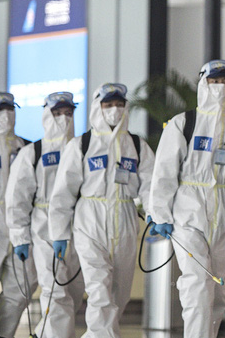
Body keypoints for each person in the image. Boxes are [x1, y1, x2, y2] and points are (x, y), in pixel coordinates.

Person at [148, 60, 225, 337]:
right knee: (197, 280)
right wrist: (160, 213)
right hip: (188, 209)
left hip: (224, 208)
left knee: (219, 287)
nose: (221, 87)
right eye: (215, 81)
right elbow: (164, 171)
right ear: (203, 84)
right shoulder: (184, 123)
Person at [49, 83, 154, 337]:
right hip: (90, 221)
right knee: (99, 290)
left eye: (119, 104)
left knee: (119, 294)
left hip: (125, 219)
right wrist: (59, 233)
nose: (114, 110)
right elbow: (63, 192)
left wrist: (155, 214)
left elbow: (151, 185)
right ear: (98, 107)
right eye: (108, 105)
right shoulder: (82, 145)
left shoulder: (136, 145)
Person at [6, 92, 84, 338]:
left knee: (73, 292)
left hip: (79, 227)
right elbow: (17, 197)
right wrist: (20, 237)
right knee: (55, 290)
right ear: (46, 115)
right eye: (57, 113)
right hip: (44, 229)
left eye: (68, 113)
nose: (63, 118)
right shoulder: (34, 152)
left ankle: (43, 334)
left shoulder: (83, 147)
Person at [0, 92, 38, 338]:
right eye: (0, 109)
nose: (6, 114)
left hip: (21, 225)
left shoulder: (28, 148)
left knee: (22, 286)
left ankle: (4, 334)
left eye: (10, 108)